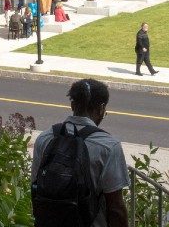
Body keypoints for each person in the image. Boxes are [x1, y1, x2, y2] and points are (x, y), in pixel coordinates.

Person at [31, 79, 129, 227]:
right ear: (101, 108)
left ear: (72, 105)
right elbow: (116, 208)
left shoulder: (45, 138)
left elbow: (35, 187)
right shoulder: (108, 146)